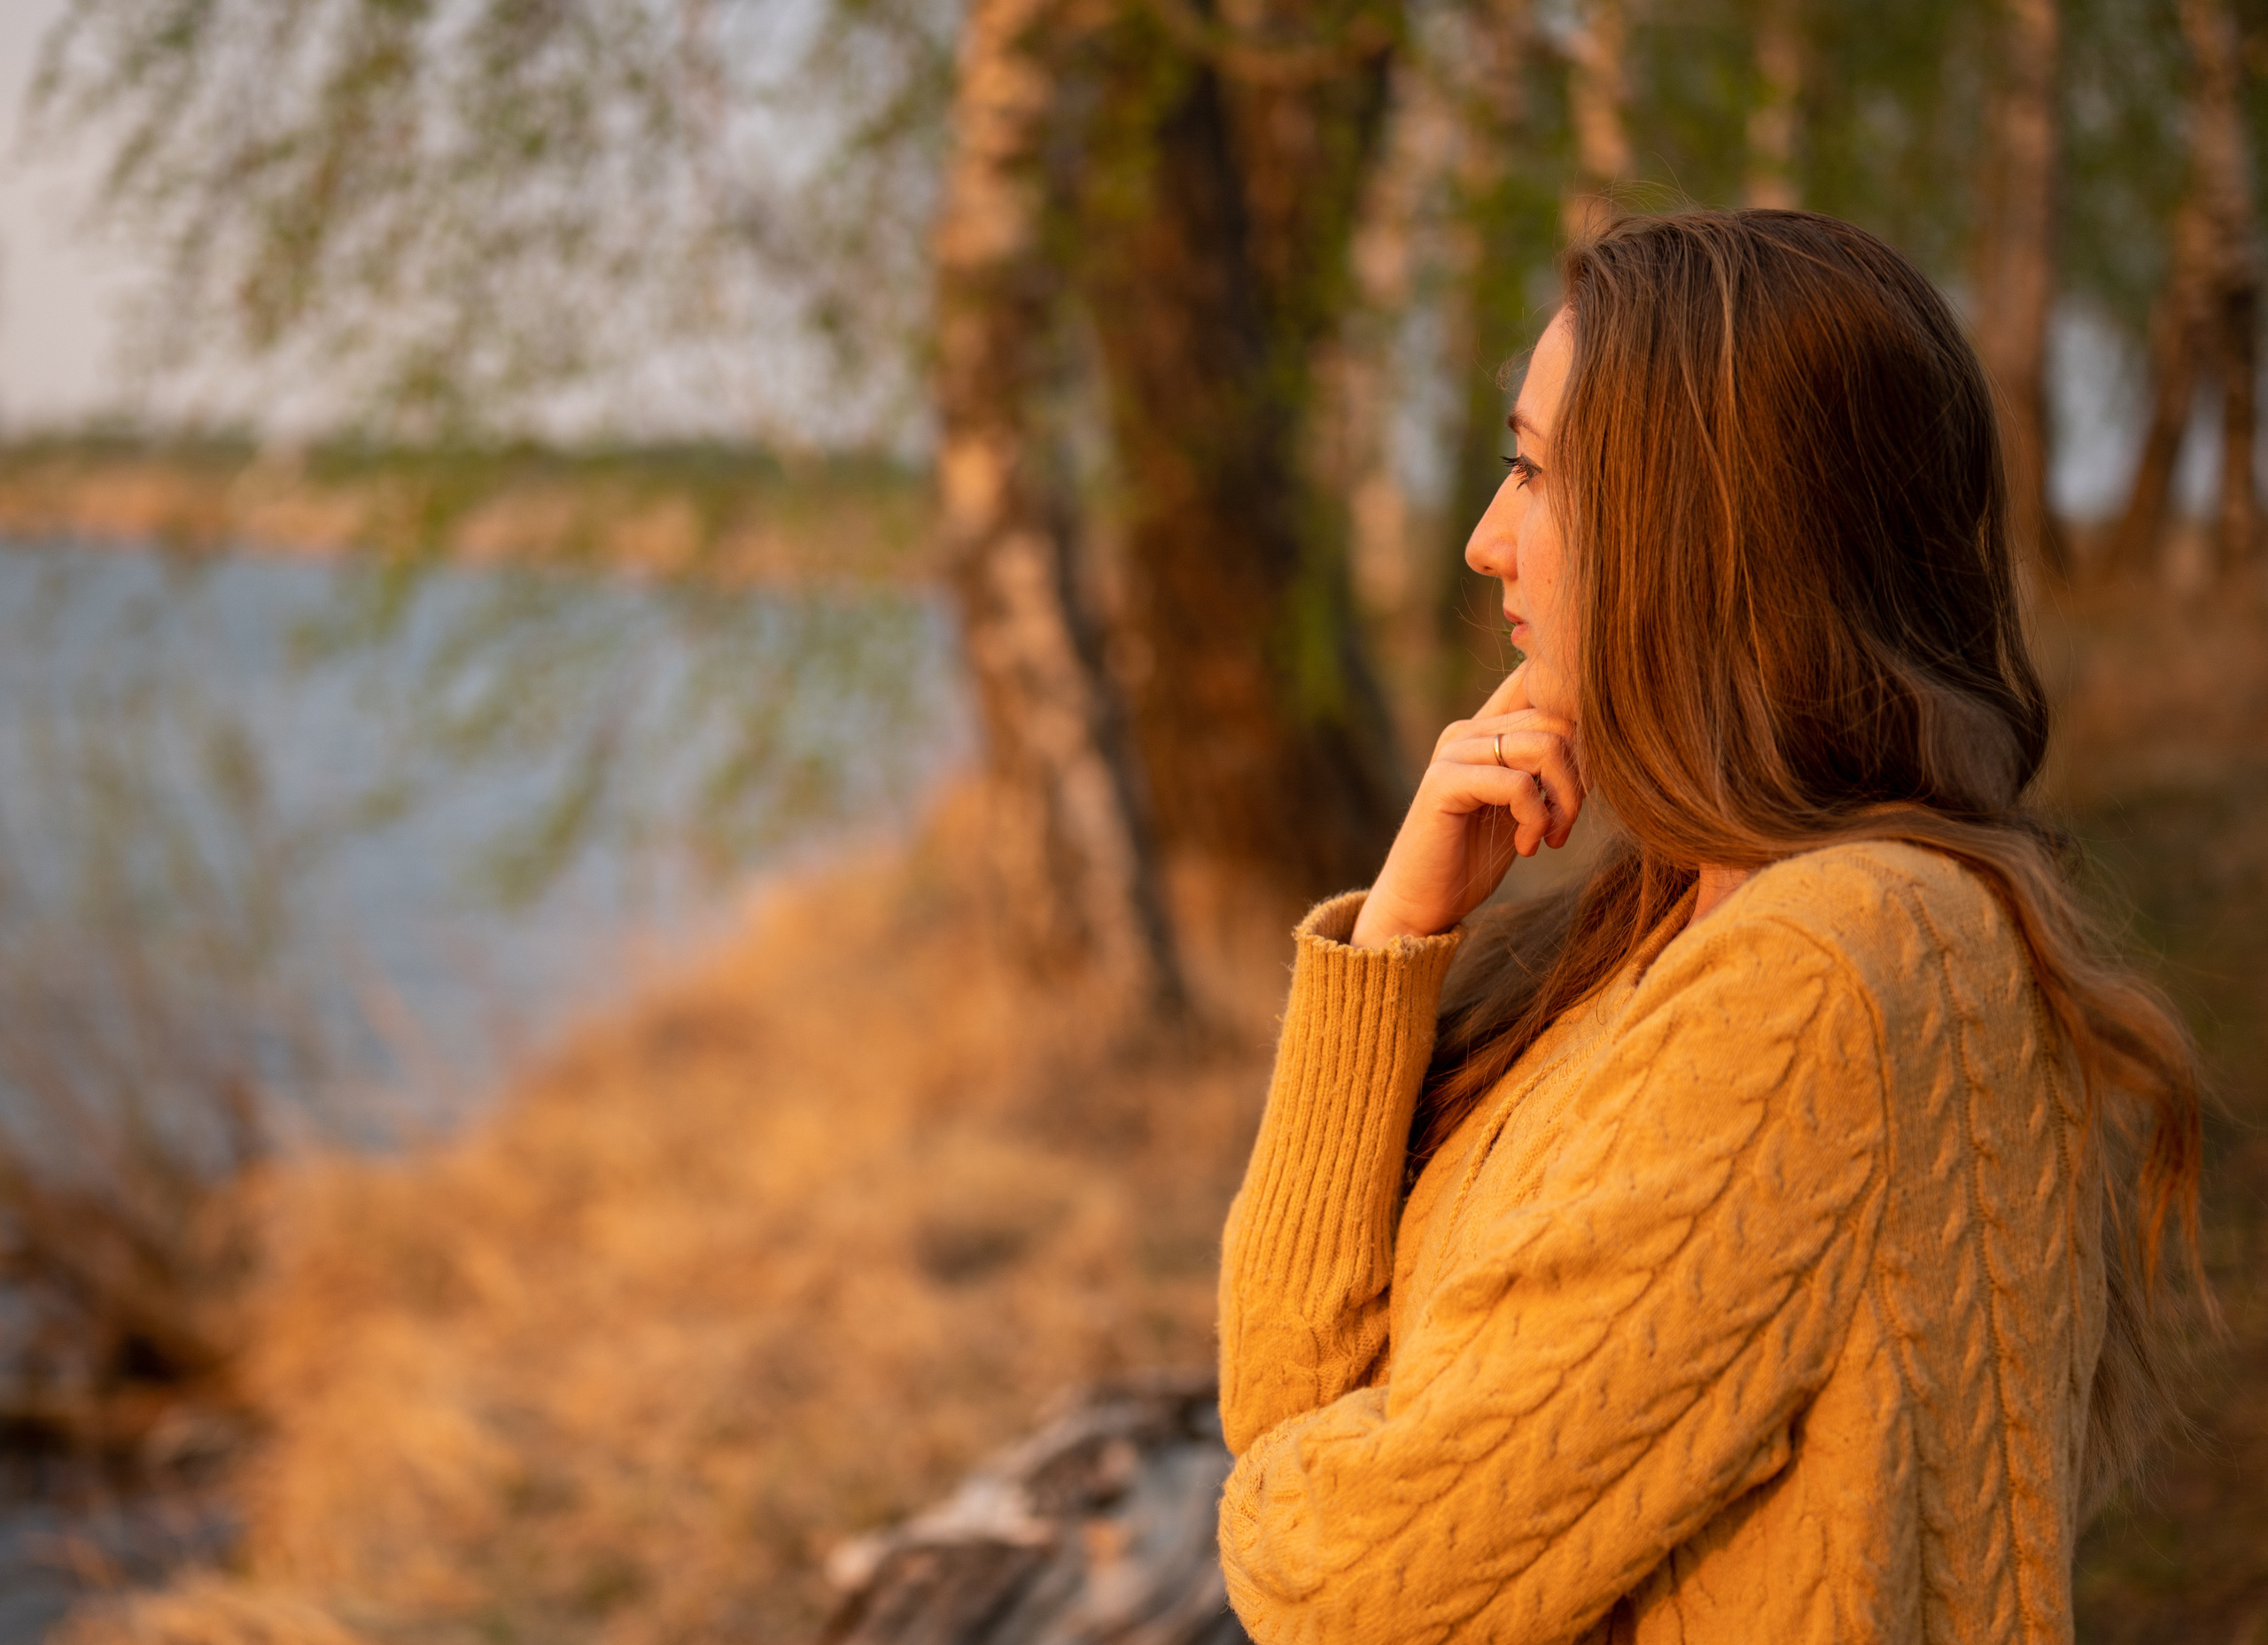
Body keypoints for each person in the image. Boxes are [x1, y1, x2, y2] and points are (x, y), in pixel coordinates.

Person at [1214, 210, 2204, 1644]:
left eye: (1541, 474)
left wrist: (1301, 1483)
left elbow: (1336, 1580)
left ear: (1711, 536)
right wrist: (1393, 942)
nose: (1490, 540)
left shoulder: (1826, 973)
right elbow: (1283, 1392)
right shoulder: (1684, 928)